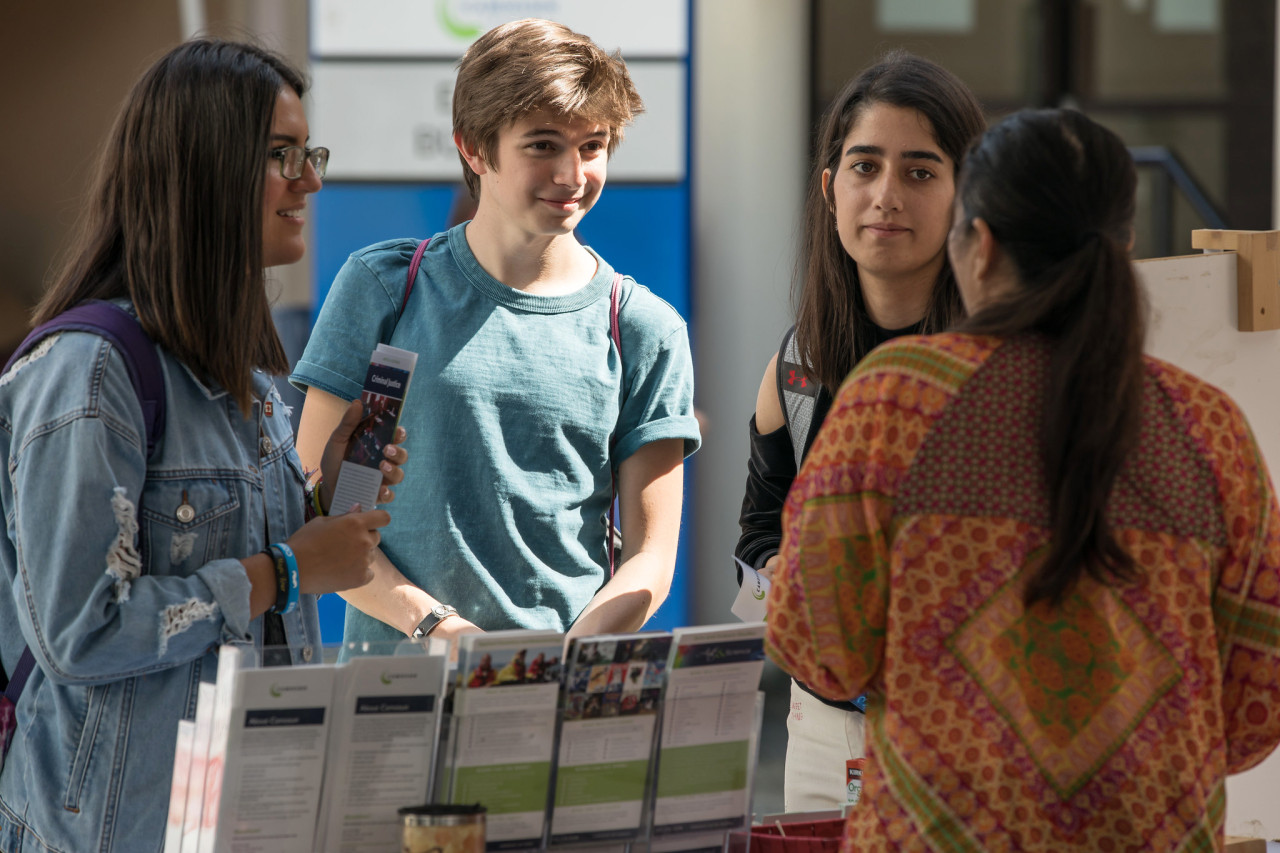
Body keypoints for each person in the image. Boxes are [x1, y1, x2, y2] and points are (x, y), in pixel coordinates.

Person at [765, 108, 1280, 850]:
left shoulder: (895, 402)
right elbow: (1256, 707)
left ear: (978, 243)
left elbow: (816, 644)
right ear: (1123, 247)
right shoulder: (1210, 429)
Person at [0, 40, 408, 853]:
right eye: (281, 156)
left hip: (248, 822)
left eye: (309, 153)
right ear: (207, 169)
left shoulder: (249, 379)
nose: (311, 181)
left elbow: (248, 578)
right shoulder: (87, 373)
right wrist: (289, 569)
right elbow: (84, 630)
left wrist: (324, 497)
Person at [291, 19, 700, 650]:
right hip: (397, 697)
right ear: (474, 148)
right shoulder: (389, 290)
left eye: (593, 147)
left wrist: (560, 661)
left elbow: (651, 558)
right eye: (542, 145)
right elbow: (329, 510)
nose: (572, 174)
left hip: (558, 704)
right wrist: (439, 629)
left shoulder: (642, 327)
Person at [735, 52, 984, 812]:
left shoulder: (1005, 365)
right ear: (829, 187)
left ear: (966, 191)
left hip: (977, 732)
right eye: (864, 166)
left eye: (918, 171)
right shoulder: (797, 365)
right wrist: (793, 576)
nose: (885, 196)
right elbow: (755, 533)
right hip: (824, 732)